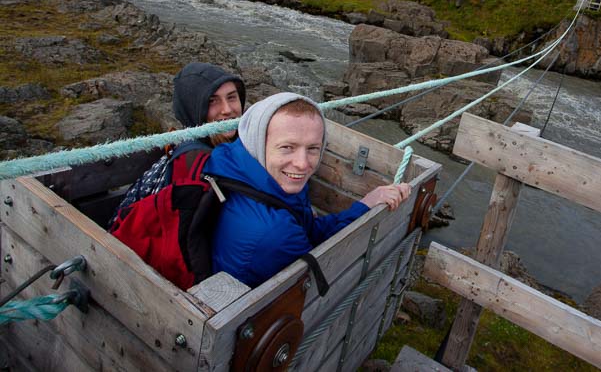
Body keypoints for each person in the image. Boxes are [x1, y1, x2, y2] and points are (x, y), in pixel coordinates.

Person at [206, 92, 411, 288]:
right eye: (287, 147)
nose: (303, 164)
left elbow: (309, 229)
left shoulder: (239, 165)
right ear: (259, 142)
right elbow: (320, 271)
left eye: (313, 148)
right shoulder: (277, 235)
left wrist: (366, 204)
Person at [109, 62, 246, 226]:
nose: (227, 109)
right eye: (212, 101)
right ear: (193, 108)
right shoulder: (195, 161)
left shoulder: (235, 144)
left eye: (231, 97)